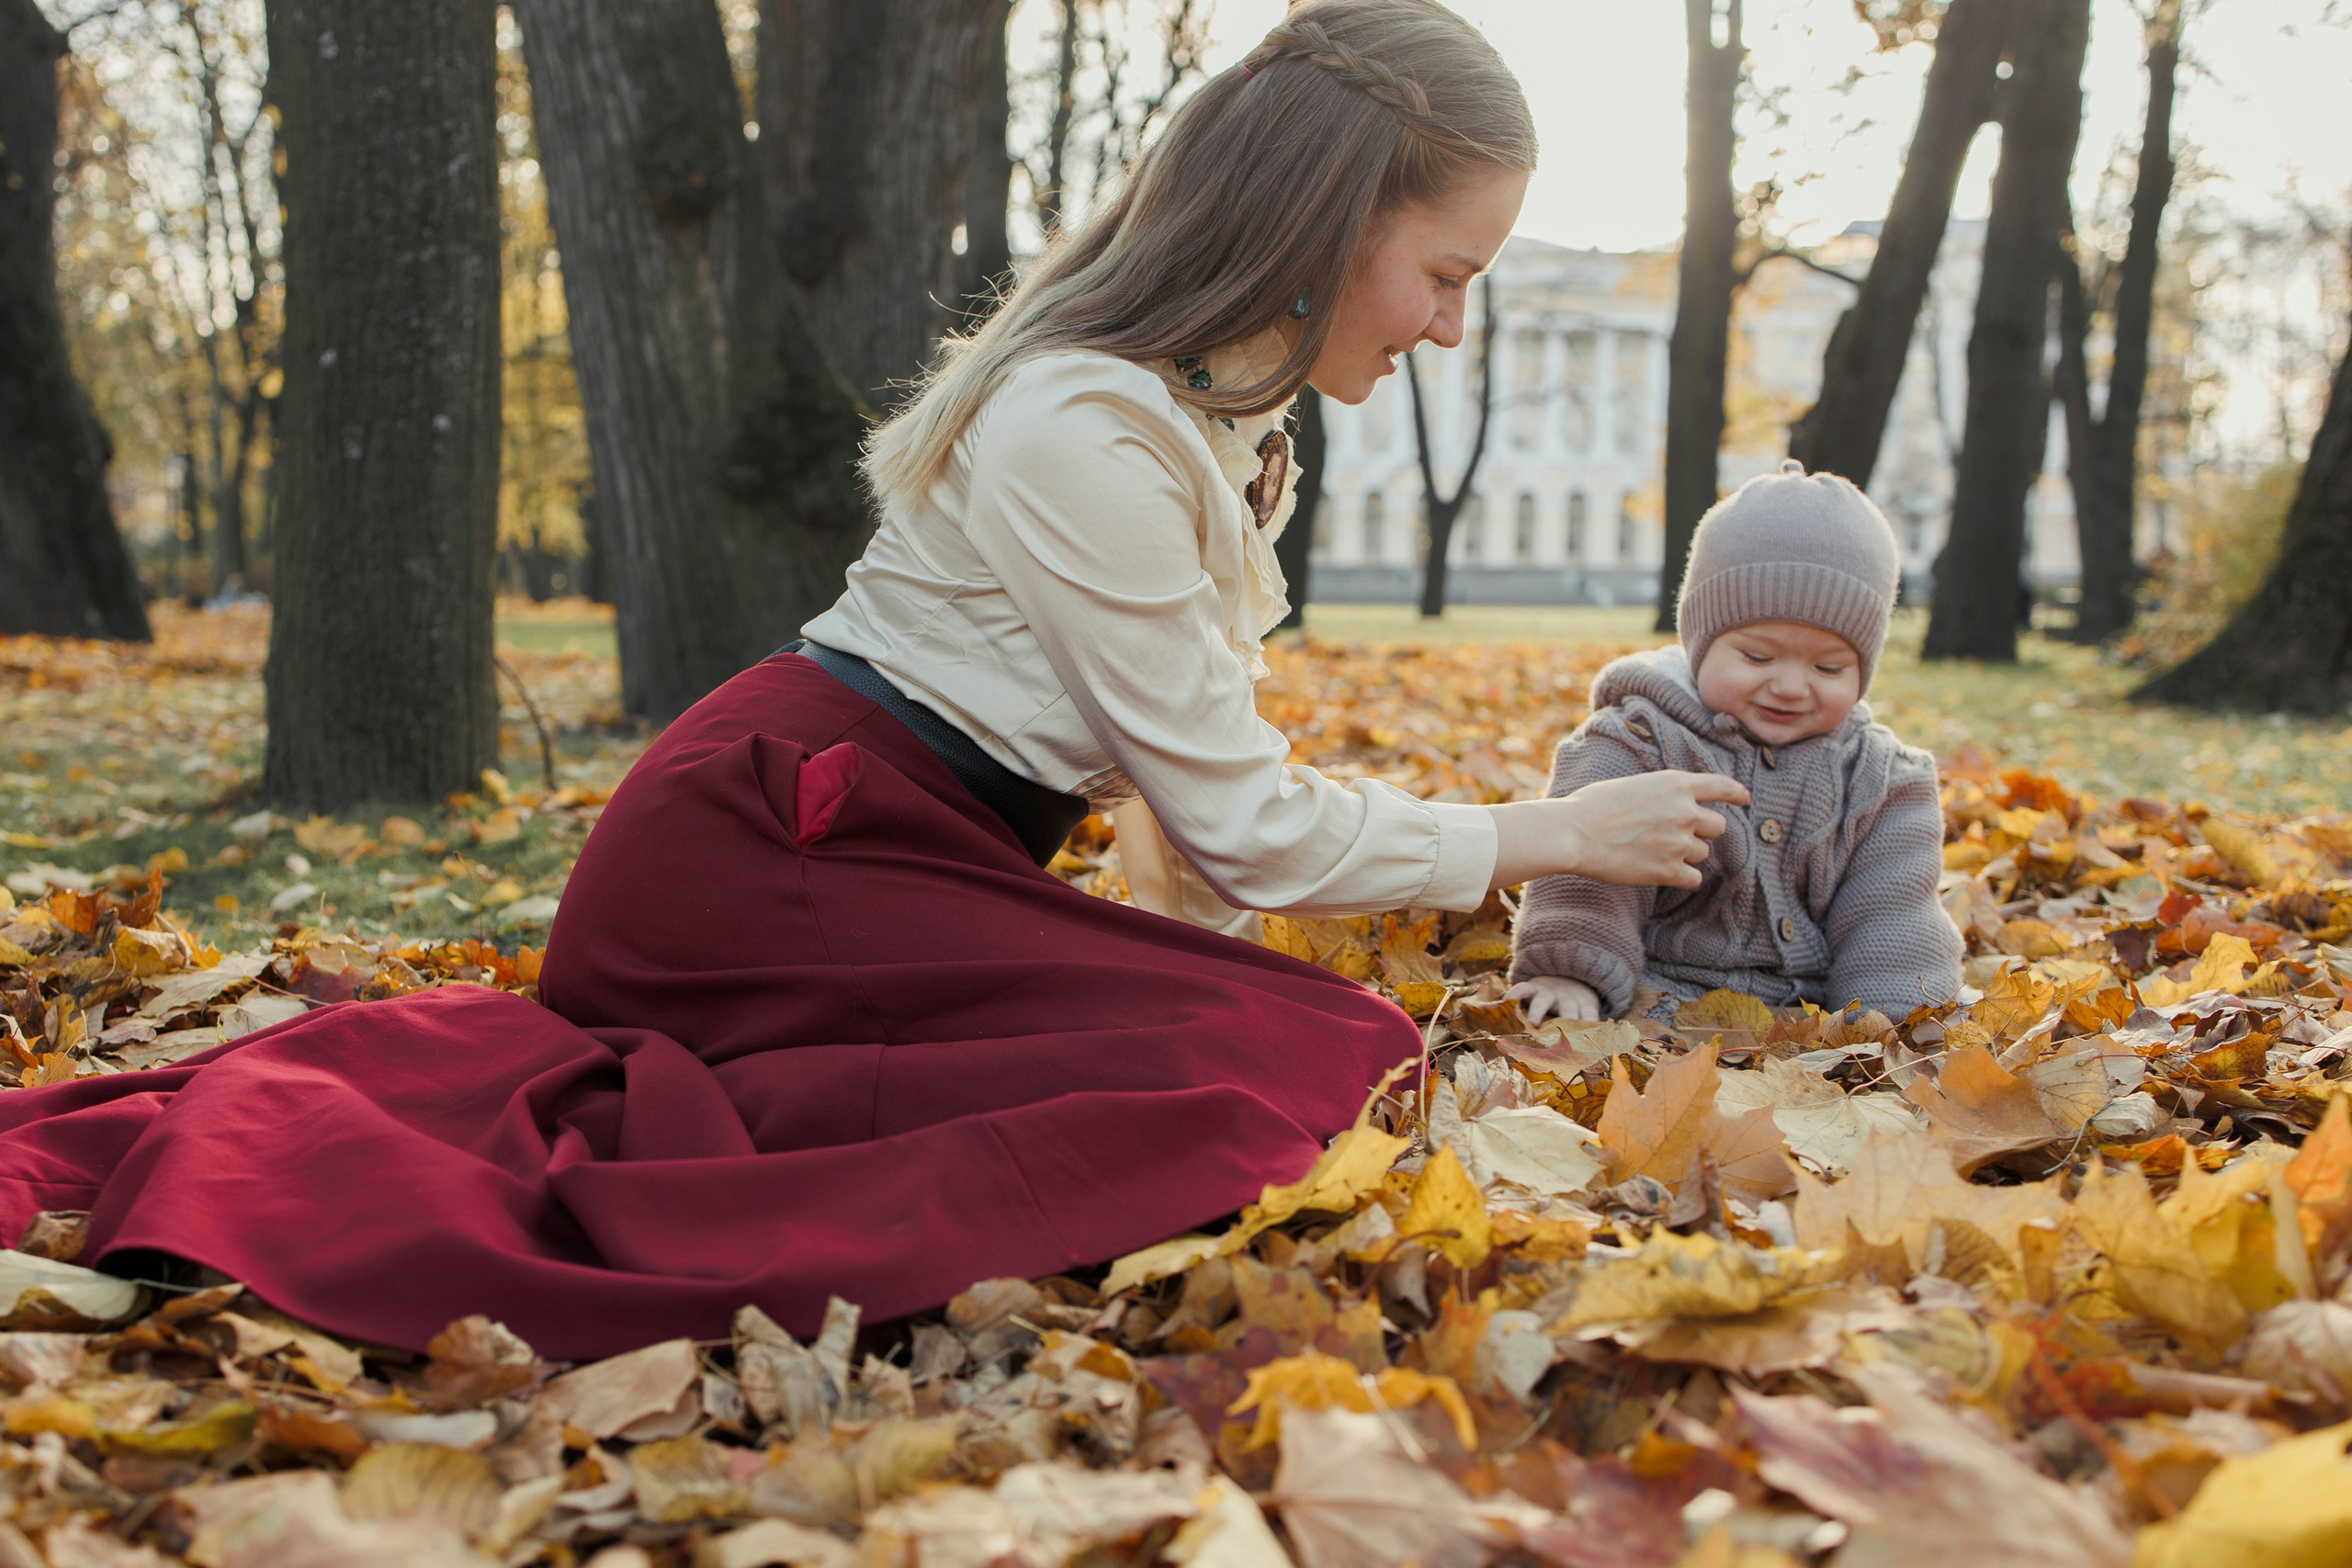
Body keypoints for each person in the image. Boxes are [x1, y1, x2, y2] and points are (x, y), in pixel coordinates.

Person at [0, 0, 1742, 1359]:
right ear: (1327, 215)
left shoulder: (1216, 417)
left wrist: (1163, 959)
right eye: (1447, 274)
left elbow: (1187, 830)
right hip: (772, 857)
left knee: (1296, 1053)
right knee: (1303, 1061)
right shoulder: (1091, 425)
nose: (1452, 325)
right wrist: (1553, 834)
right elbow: (1250, 830)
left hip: (901, 857)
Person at [1509, 460, 1963, 1026]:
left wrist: (1895, 1020)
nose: (1792, 686)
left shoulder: (1885, 780)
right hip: (1661, 999)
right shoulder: (1638, 743)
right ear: (1701, 642)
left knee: (1943, 1010)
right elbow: (1587, 871)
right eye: (1757, 657)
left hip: (1810, 1019)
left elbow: (1893, 913)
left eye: (1829, 667)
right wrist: (1572, 970)